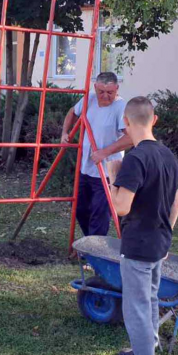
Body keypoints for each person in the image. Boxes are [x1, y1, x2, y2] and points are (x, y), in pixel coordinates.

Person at [106, 96, 178, 355]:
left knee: (136, 308)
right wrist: (166, 234)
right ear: (154, 120)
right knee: (149, 300)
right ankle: (146, 351)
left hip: (138, 246)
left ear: (126, 122)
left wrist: (113, 176)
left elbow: (121, 206)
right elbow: (176, 204)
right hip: (159, 244)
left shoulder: (135, 159)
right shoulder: (167, 155)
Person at [60, 72, 132, 237]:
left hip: (107, 172)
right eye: (101, 92)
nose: (105, 96)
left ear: (117, 89)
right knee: (79, 209)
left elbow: (131, 138)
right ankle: (90, 244)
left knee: (99, 215)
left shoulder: (121, 107)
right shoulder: (89, 100)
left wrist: (104, 152)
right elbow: (72, 112)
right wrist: (65, 132)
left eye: (110, 92)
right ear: (95, 88)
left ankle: (95, 254)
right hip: (86, 168)